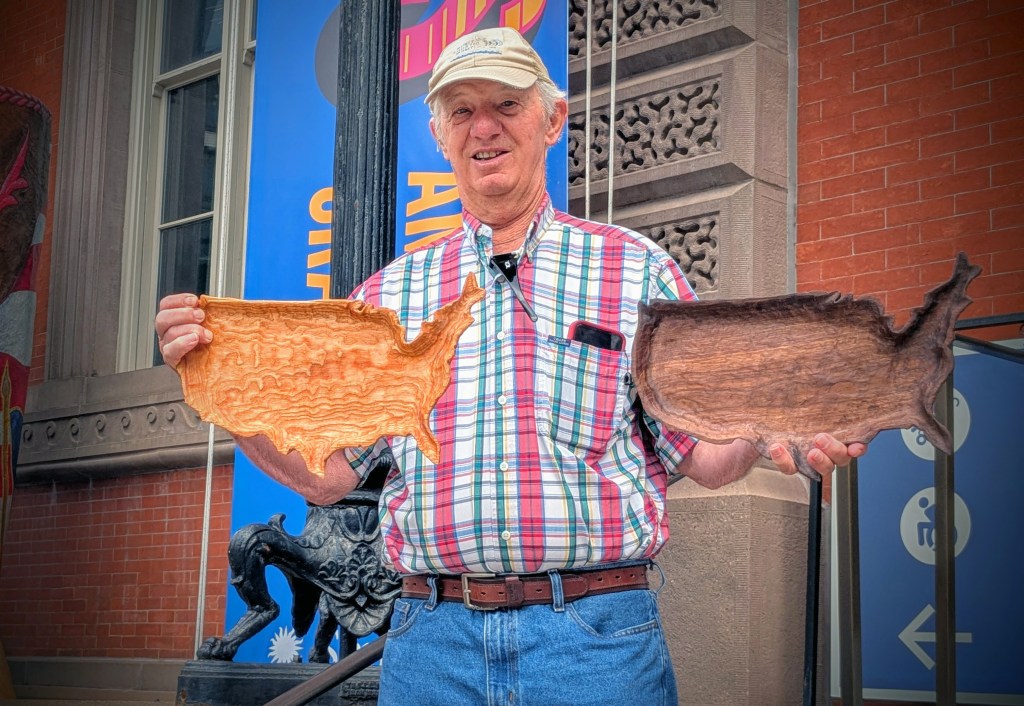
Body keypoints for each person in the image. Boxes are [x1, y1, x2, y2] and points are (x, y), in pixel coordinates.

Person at [156, 27, 865, 706]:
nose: (483, 127)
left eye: (506, 104)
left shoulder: (637, 272)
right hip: (431, 645)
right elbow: (330, 473)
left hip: (595, 644)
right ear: (439, 135)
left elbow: (705, 454)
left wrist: (781, 424)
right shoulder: (388, 300)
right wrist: (220, 388)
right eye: (461, 110)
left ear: (552, 120)